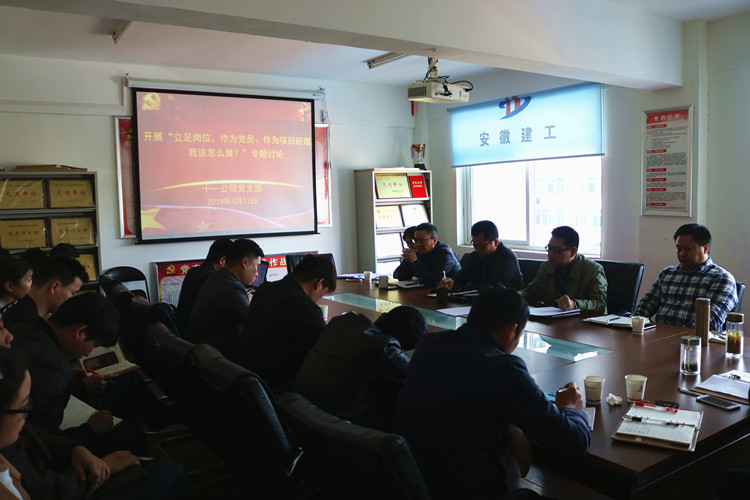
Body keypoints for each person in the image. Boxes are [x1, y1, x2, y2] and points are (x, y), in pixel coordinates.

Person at [393, 287, 590, 500]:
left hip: (414, 486)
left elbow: (462, 402)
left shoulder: (429, 345)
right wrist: (571, 408)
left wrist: (509, 425)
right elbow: (574, 444)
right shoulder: (502, 368)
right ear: (511, 332)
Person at [0, 347, 193, 500]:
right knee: (172, 473)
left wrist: (73, 449)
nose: (9, 335)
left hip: (61, 476)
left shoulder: (10, 431)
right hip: (69, 487)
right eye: (24, 405)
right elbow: (43, 490)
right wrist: (104, 466)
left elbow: (34, 435)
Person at [10, 292, 146, 457]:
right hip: (28, 458)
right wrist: (89, 430)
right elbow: (37, 444)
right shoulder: (53, 369)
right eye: (94, 345)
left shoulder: (27, 326)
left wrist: (75, 386)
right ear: (81, 332)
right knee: (124, 430)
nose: (88, 353)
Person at [293, 305, 427, 430]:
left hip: (298, 416)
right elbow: (418, 376)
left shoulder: (340, 322)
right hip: (338, 432)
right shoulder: (385, 347)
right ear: (400, 349)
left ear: (382, 315)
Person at [236, 254, 336, 392]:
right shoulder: (305, 308)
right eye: (323, 293)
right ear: (318, 283)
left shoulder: (264, 290)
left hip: (247, 378)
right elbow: (324, 354)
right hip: (277, 387)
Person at [634, 224, 737, 331]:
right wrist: (633, 323)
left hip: (694, 340)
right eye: (679, 249)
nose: (682, 254)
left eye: (688, 249)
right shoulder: (668, 273)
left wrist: (674, 336)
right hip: (658, 336)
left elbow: (709, 321)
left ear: (705, 248)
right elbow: (645, 307)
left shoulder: (721, 279)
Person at [188, 239, 264, 355]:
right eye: (257, 266)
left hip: (203, 353)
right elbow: (256, 324)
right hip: (218, 358)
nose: (257, 273)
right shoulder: (231, 288)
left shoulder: (218, 277)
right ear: (245, 263)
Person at [520, 226, 607, 313]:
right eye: (549, 248)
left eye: (557, 250)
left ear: (573, 252)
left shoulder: (593, 270)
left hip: (583, 320)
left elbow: (600, 303)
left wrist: (575, 304)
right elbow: (531, 292)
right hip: (552, 319)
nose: (550, 254)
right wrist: (514, 297)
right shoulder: (546, 267)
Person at [1, 257, 87, 329]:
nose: (72, 300)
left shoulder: (17, 309)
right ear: (55, 286)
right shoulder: (27, 324)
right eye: (73, 293)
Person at [439, 220, 523, 292]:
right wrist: (452, 283)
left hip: (506, 302)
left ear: (495, 242)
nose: (477, 249)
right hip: (478, 301)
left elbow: (495, 288)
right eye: (474, 244)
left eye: (482, 245)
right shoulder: (474, 256)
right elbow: (461, 279)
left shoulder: (507, 258)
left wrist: (470, 287)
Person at [175, 237, 233, 334]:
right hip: (196, 334)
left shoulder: (193, 271)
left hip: (182, 329)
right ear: (222, 260)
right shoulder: (212, 278)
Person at [398, 223, 460, 287]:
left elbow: (435, 282)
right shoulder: (418, 250)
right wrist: (407, 260)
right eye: (415, 240)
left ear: (435, 240)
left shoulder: (445, 253)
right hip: (425, 290)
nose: (417, 244)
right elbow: (401, 277)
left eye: (422, 240)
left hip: (451, 291)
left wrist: (415, 261)